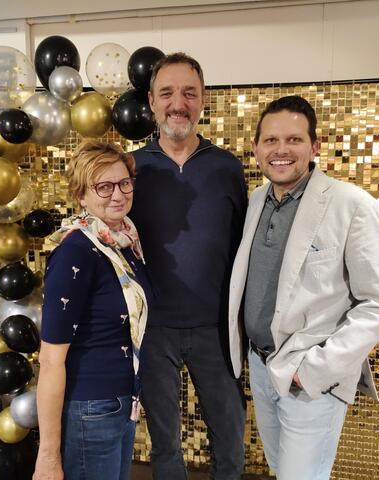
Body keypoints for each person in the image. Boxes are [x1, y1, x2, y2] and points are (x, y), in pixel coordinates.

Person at [228, 95, 379, 480]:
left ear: (315, 147)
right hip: (260, 365)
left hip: (308, 375)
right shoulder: (256, 201)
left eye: (294, 139)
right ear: (256, 149)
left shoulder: (352, 205)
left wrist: (315, 369)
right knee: (281, 469)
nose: (281, 150)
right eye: (271, 140)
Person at [129, 52, 247, 480]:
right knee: (165, 447)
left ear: (202, 100)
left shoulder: (227, 167)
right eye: (167, 93)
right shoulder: (132, 169)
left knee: (230, 443)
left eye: (189, 93)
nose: (178, 103)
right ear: (151, 101)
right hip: (154, 329)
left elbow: (241, 247)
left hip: (216, 329)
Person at [33, 140, 152, 480]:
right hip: (90, 410)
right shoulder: (76, 252)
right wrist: (48, 456)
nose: (118, 195)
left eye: (124, 183)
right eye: (103, 186)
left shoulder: (124, 242)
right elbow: (50, 360)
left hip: (121, 403)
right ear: (81, 195)